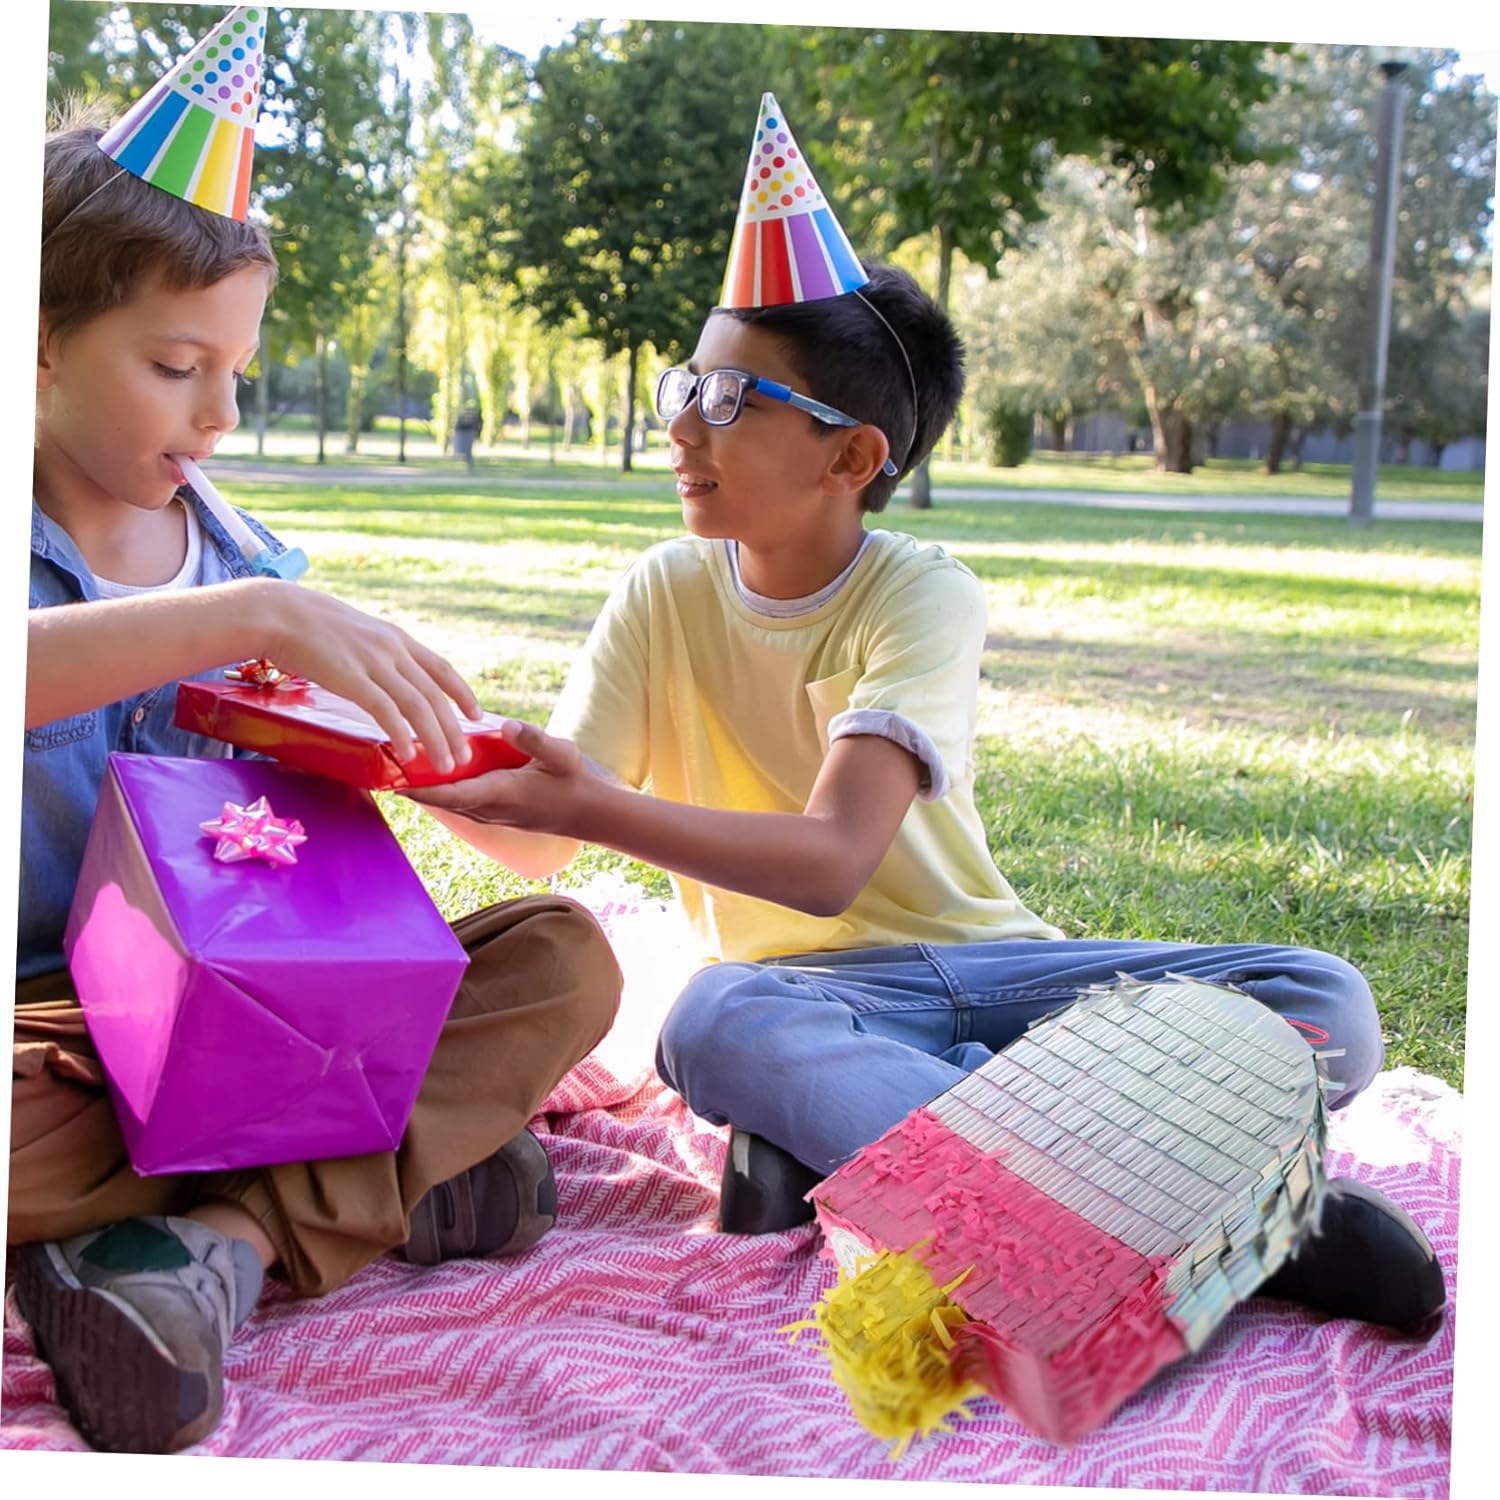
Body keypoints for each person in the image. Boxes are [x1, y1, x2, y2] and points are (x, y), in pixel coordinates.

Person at [411, 91, 1443, 1342]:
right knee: (713, 1017)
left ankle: (859, 1138)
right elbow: (539, 839)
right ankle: (1191, 1214)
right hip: (803, 998)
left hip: (1002, 973)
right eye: (689, 383)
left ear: (852, 461)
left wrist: (599, 807)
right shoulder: (662, 589)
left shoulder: (923, 592)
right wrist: (392, 756)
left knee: (1320, 994)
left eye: (731, 399)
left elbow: (831, 859)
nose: (681, 421)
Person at [13, 20, 619, 1459]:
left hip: (248, 1013)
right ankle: (389, 1180)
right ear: (33, 341)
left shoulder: (260, 573)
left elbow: (500, 851)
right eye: (177, 364)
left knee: (564, 959)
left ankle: (206, 1247)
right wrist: (253, 617)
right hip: (44, 1036)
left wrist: (497, 786)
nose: (222, 413)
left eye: (238, 366)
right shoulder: (255, 597)